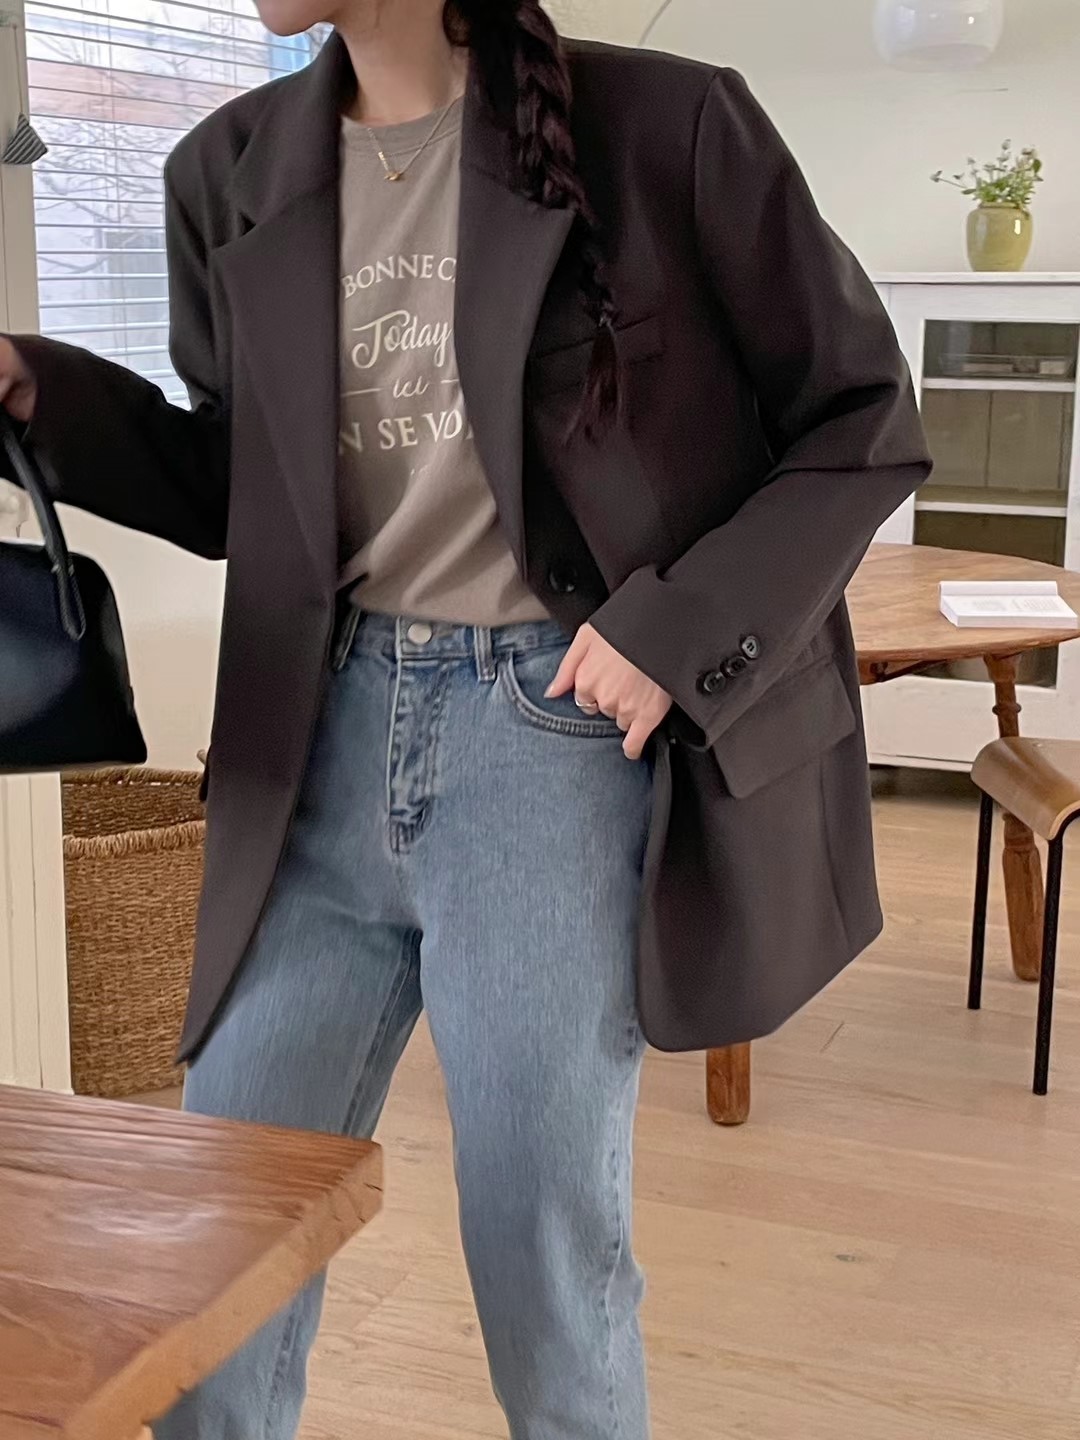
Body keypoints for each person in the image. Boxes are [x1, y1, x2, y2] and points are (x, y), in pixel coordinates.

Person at [0, 1, 931, 1434]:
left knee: (541, 1255)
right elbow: (241, 488)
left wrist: (673, 631)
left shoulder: (670, 130)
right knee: (214, 1238)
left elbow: (860, 419)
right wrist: (41, 395)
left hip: (545, 743)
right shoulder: (226, 171)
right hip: (308, 745)